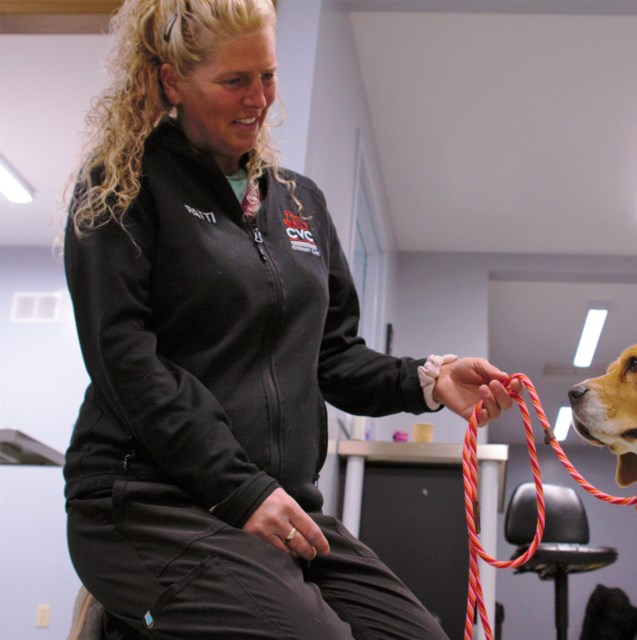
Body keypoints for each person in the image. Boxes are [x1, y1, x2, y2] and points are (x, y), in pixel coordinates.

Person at [62, 1, 518, 638]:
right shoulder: (124, 185)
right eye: (234, 81)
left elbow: (330, 356)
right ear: (171, 81)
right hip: (146, 500)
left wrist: (430, 381)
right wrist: (239, 491)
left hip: (276, 502)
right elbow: (126, 364)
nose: (259, 100)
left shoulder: (300, 202)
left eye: (268, 76)